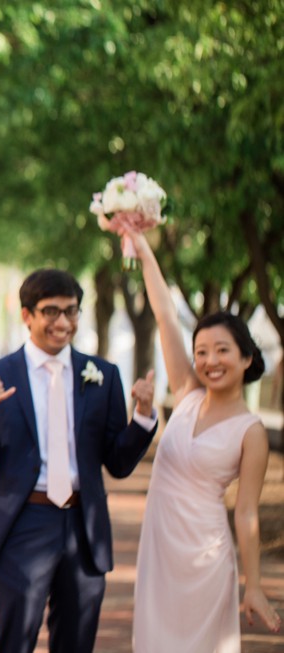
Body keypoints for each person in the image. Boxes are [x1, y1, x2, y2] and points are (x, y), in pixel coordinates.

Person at [0, 268, 157, 653]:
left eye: (71, 312)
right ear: (27, 315)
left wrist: (142, 417)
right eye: (51, 311)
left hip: (84, 528)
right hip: (22, 524)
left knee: (77, 642)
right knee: (14, 640)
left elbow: (117, 463)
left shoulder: (103, 375)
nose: (63, 322)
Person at [127, 230, 282, 650]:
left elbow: (247, 514)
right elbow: (163, 313)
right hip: (160, 547)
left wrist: (254, 585)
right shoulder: (188, 393)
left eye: (222, 351)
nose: (209, 361)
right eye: (202, 351)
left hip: (205, 554)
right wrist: (142, 249)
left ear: (246, 358)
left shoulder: (251, 432)